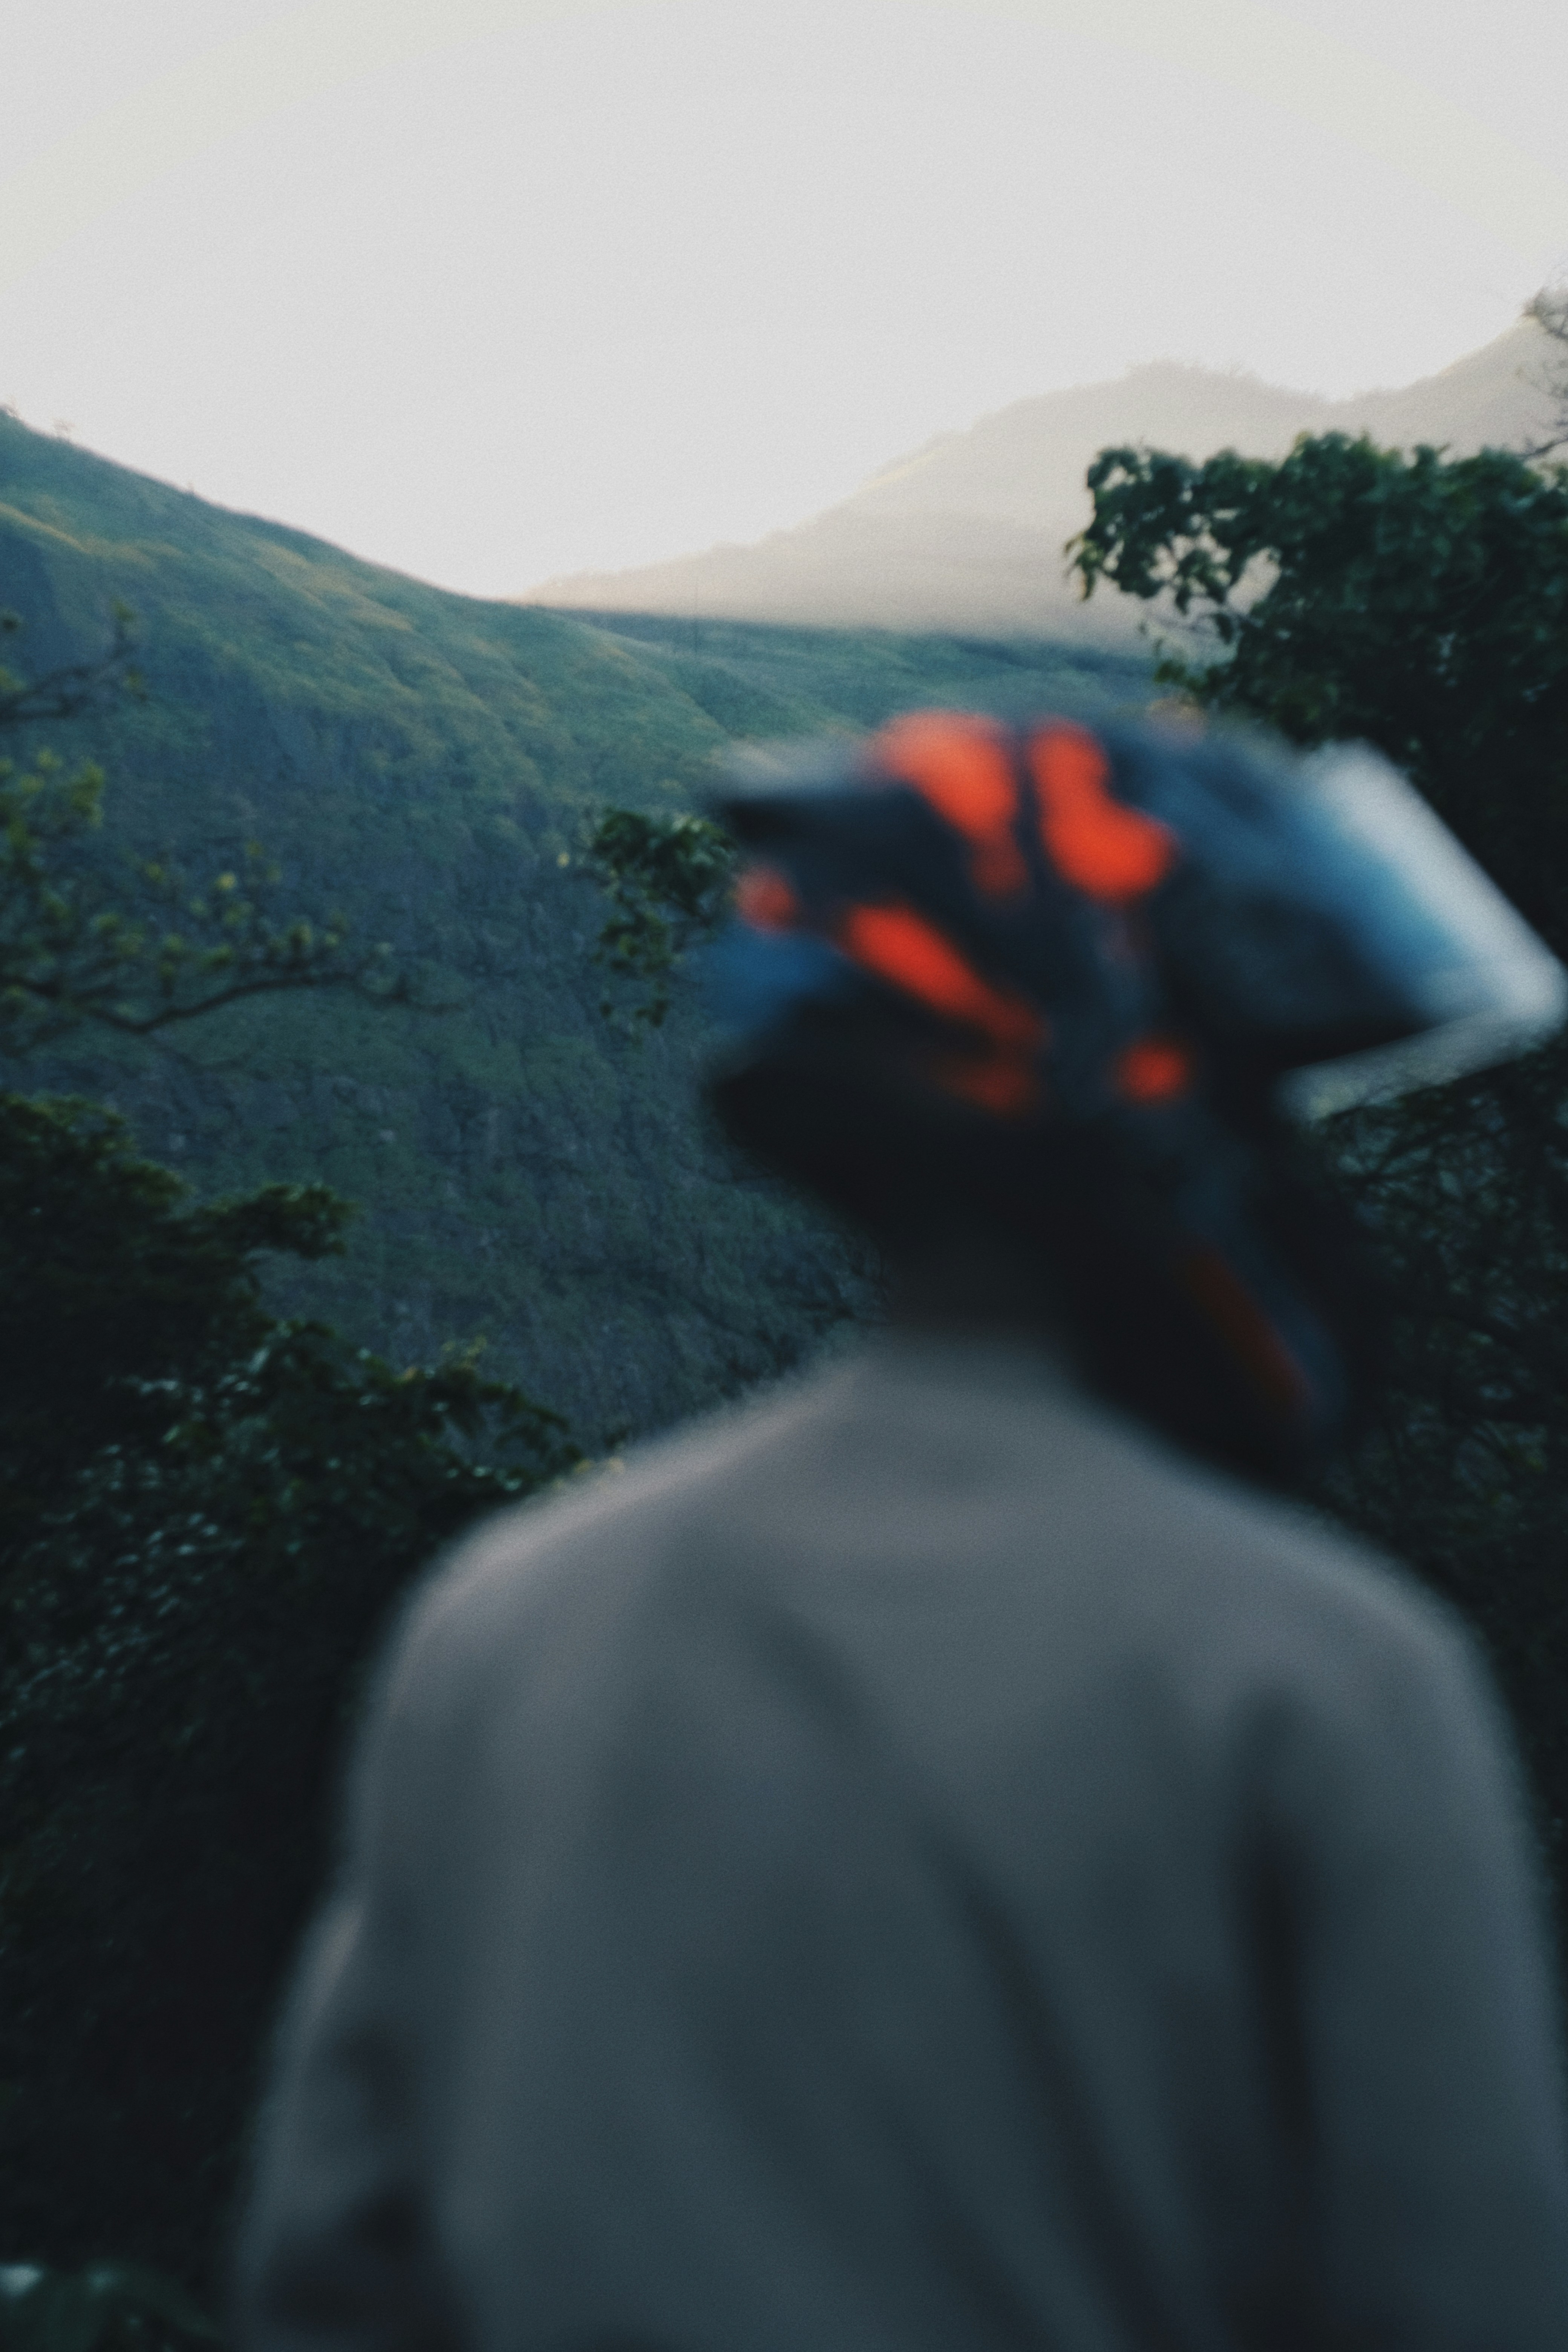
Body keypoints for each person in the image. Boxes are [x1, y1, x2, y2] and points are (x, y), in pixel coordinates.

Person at [236, 710, 1568, 2351]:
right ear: (1153, 1107)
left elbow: (334, 2273)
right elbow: (1456, 2295)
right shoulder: (1321, 1669)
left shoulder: (505, 1616)